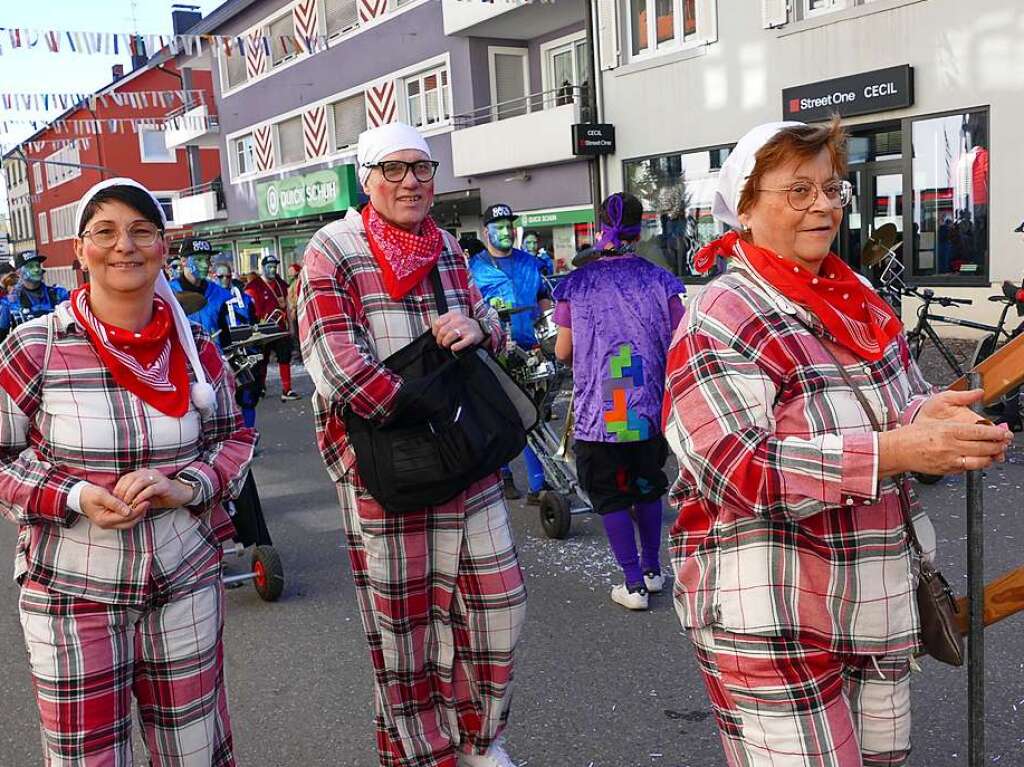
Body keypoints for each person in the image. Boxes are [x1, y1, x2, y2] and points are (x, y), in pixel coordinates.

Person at [662, 120, 1013, 766]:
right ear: (744, 206)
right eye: (798, 190)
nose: (823, 204)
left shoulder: (852, 295)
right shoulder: (720, 313)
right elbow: (738, 468)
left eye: (831, 187)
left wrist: (932, 414)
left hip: (873, 600)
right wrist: (898, 451)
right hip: (771, 608)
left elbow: (893, 400)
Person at [0, 178, 255, 766]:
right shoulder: (35, 347)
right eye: (106, 232)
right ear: (80, 250)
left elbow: (235, 440)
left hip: (184, 583)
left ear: (163, 247)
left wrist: (184, 486)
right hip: (72, 595)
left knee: (196, 754)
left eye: (142, 231)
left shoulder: (196, 348)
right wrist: (73, 494)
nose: (125, 247)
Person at [298, 122, 526, 767]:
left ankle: (481, 742)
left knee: (498, 606)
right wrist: (426, 387)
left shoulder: (449, 248)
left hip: (465, 454)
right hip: (386, 462)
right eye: (393, 169)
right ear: (366, 178)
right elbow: (338, 367)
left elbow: (494, 334)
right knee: (407, 628)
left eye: (421, 169)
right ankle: (422, 754)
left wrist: (475, 330)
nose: (410, 182)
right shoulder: (332, 249)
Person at [552, 192, 685, 611]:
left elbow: (562, 351)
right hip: (648, 404)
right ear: (639, 226)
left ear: (600, 227)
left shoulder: (576, 283)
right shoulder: (660, 279)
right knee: (647, 487)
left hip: (602, 409)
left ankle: (632, 585)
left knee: (610, 494)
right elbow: (682, 337)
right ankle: (652, 570)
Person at [469, 203, 550, 502]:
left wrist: (549, 330)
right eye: (499, 226)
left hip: (531, 348)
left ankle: (539, 484)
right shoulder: (474, 268)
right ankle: (502, 475)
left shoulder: (531, 263)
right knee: (499, 417)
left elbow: (544, 298)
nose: (506, 231)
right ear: (485, 231)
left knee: (534, 415)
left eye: (509, 226)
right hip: (493, 351)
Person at [245, 254, 301, 402]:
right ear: (263, 268)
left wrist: (291, 328)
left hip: (281, 328)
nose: (272, 270)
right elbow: (248, 307)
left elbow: (288, 305)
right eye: (269, 267)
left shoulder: (282, 284)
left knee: (284, 357)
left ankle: (287, 389)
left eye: (274, 267)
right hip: (263, 330)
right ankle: (261, 387)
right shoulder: (254, 286)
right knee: (262, 360)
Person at [215, 262, 264, 428]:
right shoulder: (209, 299)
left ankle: (249, 433)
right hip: (219, 354)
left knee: (248, 396)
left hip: (243, 353)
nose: (224, 280)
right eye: (220, 276)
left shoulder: (244, 299)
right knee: (224, 401)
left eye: (227, 276)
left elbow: (253, 323)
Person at [170, 237, 232, 335]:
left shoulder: (220, 293)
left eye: (207, 259)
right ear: (183, 261)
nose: (205, 265)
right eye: (198, 260)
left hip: (215, 349)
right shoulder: (169, 294)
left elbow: (227, 336)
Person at [3, 250, 70, 331]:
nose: (36, 269)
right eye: (31, 266)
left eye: (37, 265)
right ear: (18, 272)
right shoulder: (9, 303)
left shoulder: (59, 294)